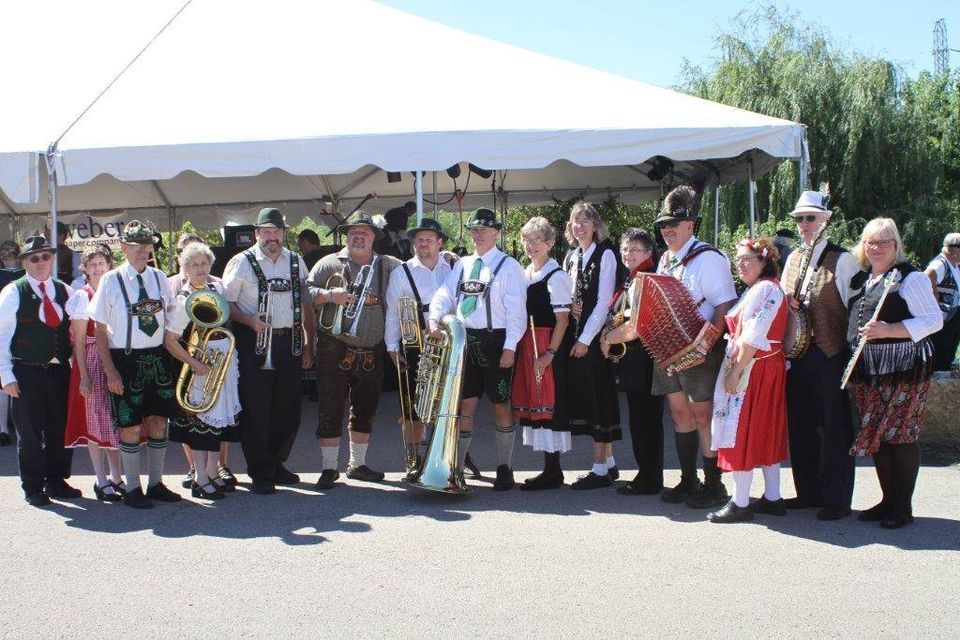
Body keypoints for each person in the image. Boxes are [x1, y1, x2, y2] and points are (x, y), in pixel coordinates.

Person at [846, 218, 941, 529]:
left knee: (900, 435)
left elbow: (933, 320)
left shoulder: (909, 278)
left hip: (905, 369)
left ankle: (903, 507)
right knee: (878, 436)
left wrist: (891, 329)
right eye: (872, 241)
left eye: (885, 242)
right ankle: (888, 500)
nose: (877, 247)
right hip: (869, 369)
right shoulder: (863, 279)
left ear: (896, 245)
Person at [428, 207, 527, 490]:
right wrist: (434, 317)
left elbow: (517, 313)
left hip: (496, 342)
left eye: (484, 229)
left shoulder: (509, 266)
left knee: (500, 405)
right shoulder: (462, 265)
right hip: (464, 341)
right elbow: (445, 294)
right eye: (474, 229)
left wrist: (510, 347)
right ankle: (455, 469)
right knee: (463, 406)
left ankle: (505, 467)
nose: (478, 234)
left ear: (496, 232)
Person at [653, 185, 737, 508]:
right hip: (670, 349)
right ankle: (689, 479)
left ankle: (714, 485)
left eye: (673, 224)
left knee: (703, 415)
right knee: (678, 414)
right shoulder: (665, 259)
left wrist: (705, 344)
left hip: (701, 348)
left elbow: (725, 305)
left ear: (691, 224)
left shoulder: (709, 258)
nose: (667, 230)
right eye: (662, 225)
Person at [89, 220, 182, 508]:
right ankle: (131, 488)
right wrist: (110, 370)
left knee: (158, 420)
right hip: (125, 360)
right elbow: (100, 329)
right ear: (124, 248)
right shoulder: (111, 280)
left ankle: (155, 483)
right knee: (129, 425)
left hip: (157, 356)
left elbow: (170, 316)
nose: (143, 251)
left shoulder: (158, 277)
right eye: (137, 246)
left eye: (147, 245)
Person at [222, 207, 315, 495]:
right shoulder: (241, 262)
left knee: (288, 410)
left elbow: (307, 302)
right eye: (267, 231)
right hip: (255, 343)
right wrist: (250, 321)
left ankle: (276, 463)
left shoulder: (296, 261)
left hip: (289, 342)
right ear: (257, 234)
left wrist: (309, 344)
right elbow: (226, 305)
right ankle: (260, 471)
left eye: (277, 231)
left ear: (284, 234)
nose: (272, 236)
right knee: (257, 410)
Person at [780, 190, 859, 520]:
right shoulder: (794, 258)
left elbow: (856, 308)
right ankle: (808, 491)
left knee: (834, 427)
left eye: (810, 218)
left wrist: (853, 357)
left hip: (831, 352)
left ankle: (837, 498)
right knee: (801, 424)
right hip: (798, 353)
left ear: (825, 220)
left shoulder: (843, 259)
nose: (803, 224)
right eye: (799, 219)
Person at [308, 212, 400, 488]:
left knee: (365, 408)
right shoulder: (328, 264)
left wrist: (448, 258)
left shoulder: (389, 265)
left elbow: (416, 270)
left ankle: (357, 464)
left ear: (374, 237)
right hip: (335, 345)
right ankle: (328, 468)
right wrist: (328, 296)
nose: (359, 237)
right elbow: (305, 293)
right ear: (347, 236)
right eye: (354, 233)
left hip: (372, 347)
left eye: (365, 233)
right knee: (330, 406)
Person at [706, 238, 789, 523]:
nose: (740, 265)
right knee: (764, 429)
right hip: (763, 366)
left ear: (764, 262)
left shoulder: (765, 289)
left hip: (755, 367)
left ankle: (741, 502)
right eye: (738, 259)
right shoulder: (761, 289)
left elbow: (753, 336)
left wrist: (735, 372)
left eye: (747, 259)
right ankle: (773, 497)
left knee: (743, 430)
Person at [0, 235, 77, 506]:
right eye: (35, 258)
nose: (41, 262)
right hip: (27, 371)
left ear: (53, 258)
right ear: (25, 262)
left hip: (58, 371)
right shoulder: (13, 292)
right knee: (30, 433)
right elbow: (1, 337)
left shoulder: (64, 290)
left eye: (46, 256)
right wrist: (5, 376)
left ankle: (56, 480)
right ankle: (33, 486)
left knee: (59, 428)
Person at [164, 241, 241, 500]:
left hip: (220, 362)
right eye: (194, 264)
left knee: (215, 424)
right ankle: (200, 478)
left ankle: (212, 472)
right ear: (184, 268)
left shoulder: (216, 289)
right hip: (198, 366)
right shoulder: (183, 299)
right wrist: (194, 364)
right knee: (199, 423)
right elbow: (170, 340)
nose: (200, 268)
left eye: (204, 263)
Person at [384, 217, 453, 480]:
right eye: (419, 239)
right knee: (414, 406)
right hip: (415, 345)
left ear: (439, 242)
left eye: (429, 239)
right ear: (413, 243)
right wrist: (391, 346)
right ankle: (413, 460)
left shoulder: (452, 269)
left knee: (445, 402)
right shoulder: (401, 273)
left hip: (447, 344)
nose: (424, 243)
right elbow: (392, 312)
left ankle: (446, 458)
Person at [599, 228, 664, 495]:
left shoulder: (645, 280)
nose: (629, 254)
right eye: (625, 249)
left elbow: (637, 326)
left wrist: (607, 339)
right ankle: (648, 474)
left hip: (644, 359)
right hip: (635, 359)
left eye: (635, 249)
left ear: (648, 252)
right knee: (641, 419)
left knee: (644, 420)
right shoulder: (633, 278)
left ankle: (649, 478)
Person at [561, 202, 622, 489]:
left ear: (595, 225)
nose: (580, 226)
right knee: (589, 397)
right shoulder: (572, 256)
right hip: (576, 334)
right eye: (575, 221)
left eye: (586, 221)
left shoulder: (605, 254)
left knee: (599, 400)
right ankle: (608, 463)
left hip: (595, 338)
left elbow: (603, 301)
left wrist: (586, 340)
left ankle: (598, 470)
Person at [512, 217, 572, 490]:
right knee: (536, 402)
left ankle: (553, 470)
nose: (531, 245)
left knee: (547, 403)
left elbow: (563, 320)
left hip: (546, 341)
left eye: (537, 240)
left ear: (549, 243)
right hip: (529, 341)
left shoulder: (556, 276)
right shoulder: (527, 272)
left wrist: (549, 354)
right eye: (527, 240)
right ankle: (549, 468)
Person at [63, 246, 126, 502]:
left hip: (114, 359)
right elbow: (78, 341)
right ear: (85, 270)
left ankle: (117, 476)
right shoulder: (82, 295)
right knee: (95, 421)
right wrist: (85, 376)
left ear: (109, 265)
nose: (98, 268)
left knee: (114, 422)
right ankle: (100, 480)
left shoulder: (116, 291)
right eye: (92, 265)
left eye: (101, 263)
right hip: (90, 359)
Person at [924, 232, 960, 371]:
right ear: (952, 250)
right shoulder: (940, 263)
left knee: (949, 351)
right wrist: (934, 301)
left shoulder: (955, 264)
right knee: (941, 353)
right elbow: (928, 275)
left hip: (953, 317)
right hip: (943, 319)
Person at [0, 240, 23, 447]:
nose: (9, 253)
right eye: (5, 250)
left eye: (12, 250)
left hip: (23, 330)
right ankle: (2, 428)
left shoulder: (25, 275)